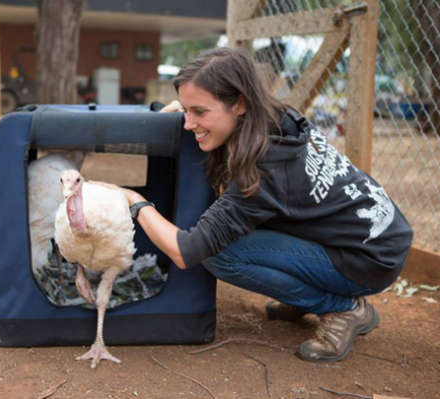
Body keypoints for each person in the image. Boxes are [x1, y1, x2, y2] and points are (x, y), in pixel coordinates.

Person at [112, 47, 413, 362]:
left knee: (218, 254)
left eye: (199, 112)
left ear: (239, 103)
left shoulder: (264, 169)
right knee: (234, 224)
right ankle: (307, 289)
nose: (189, 123)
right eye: (186, 110)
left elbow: (187, 251)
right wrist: (184, 113)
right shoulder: (271, 118)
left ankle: (342, 308)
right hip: (375, 233)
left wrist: (136, 201)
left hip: (369, 259)